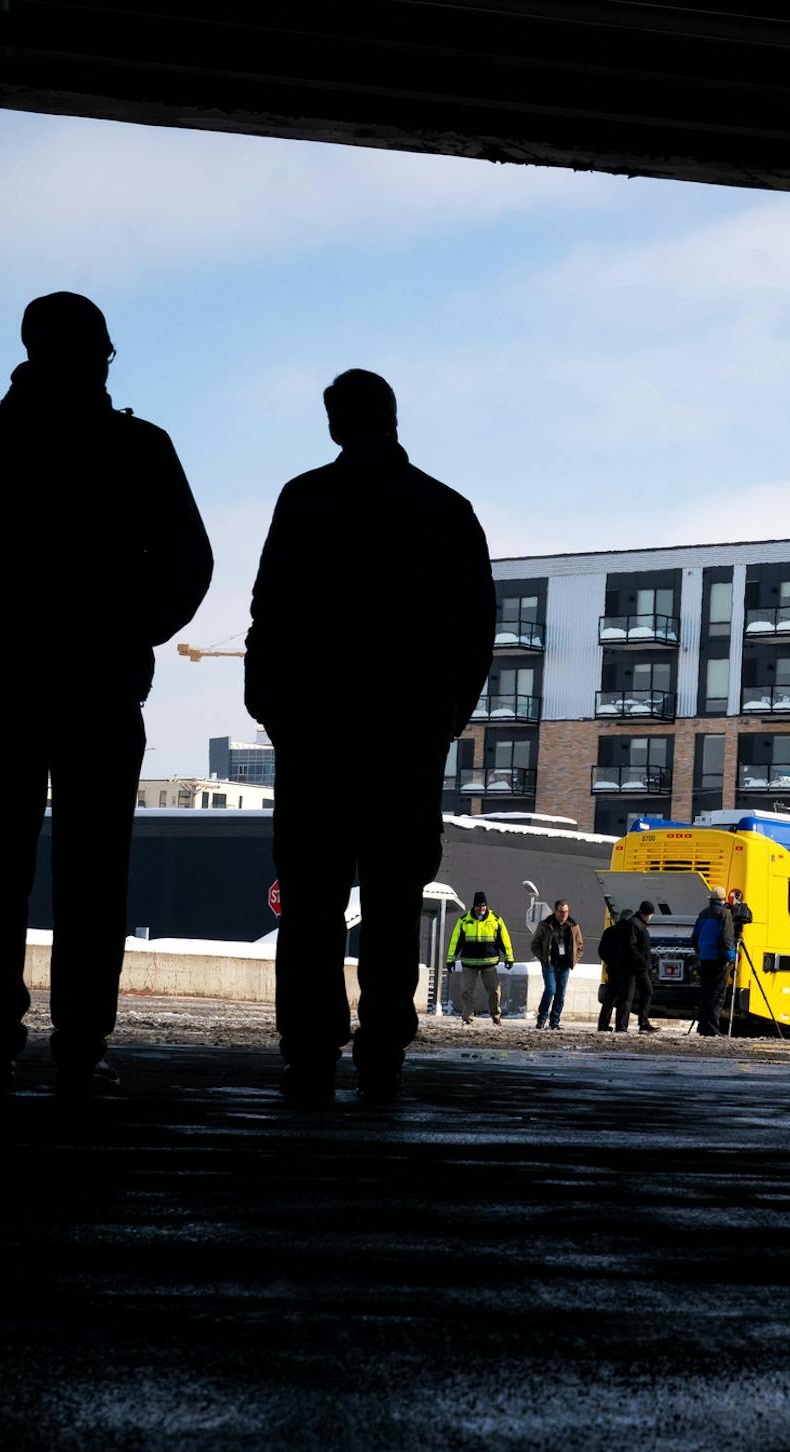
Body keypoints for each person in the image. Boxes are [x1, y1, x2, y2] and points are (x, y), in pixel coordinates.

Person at [0, 293, 211, 1095]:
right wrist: (130, 631)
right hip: (102, 687)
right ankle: (81, 1040)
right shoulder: (140, 449)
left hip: (4, 687)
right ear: (100, 355)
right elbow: (189, 564)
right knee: (95, 870)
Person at [247, 369, 494, 1101]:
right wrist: (444, 718)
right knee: (393, 901)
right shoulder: (445, 509)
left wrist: (273, 707)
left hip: (316, 738)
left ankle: (310, 1046)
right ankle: (383, 1044)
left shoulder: (305, 499)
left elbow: (270, 609)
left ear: (335, 423)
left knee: (311, 901)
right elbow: (477, 630)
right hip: (405, 740)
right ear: (392, 417)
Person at [447, 892, 515, 1027]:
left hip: (489, 963)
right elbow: (455, 941)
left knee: (494, 991)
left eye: (483, 906)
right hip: (469, 963)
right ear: (474, 906)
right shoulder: (464, 921)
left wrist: (509, 957)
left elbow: (504, 940)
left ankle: (496, 1016)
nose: (481, 909)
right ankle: (467, 1017)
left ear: (486, 906)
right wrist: (450, 959)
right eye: (478, 906)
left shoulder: (496, 920)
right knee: (466, 991)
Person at [691, 886, 738, 1035]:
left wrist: (700, 951)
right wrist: (731, 957)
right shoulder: (724, 914)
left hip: (705, 957)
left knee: (706, 992)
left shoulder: (703, 913)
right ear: (724, 900)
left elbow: (695, 936)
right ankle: (712, 1028)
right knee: (717, 994)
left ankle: (703, 1027)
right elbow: (726, 938)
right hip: (718, 958)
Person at [531, 899, 583, 1032]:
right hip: (550, 964)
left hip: (564, 965)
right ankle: (541, 1020)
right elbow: (535, 945)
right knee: (550, 989)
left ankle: (554, 1021)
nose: (564, 914)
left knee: (560, 994)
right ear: (555, 911)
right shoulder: (545, 925)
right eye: (561, 912)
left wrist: (574, 960)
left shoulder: (573, 926)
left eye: (566, 912)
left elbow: (580, 945)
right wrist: (543, 958)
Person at [615, 901, 657, 1033]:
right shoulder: (635, 924)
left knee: (647, 991)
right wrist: (642, 960)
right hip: (632, 967)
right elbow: (631, 946)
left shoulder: (639, 924)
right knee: (627, 996)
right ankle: (621, 1026)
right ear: (648, 914)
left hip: (640, 967)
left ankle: (643, 1022)